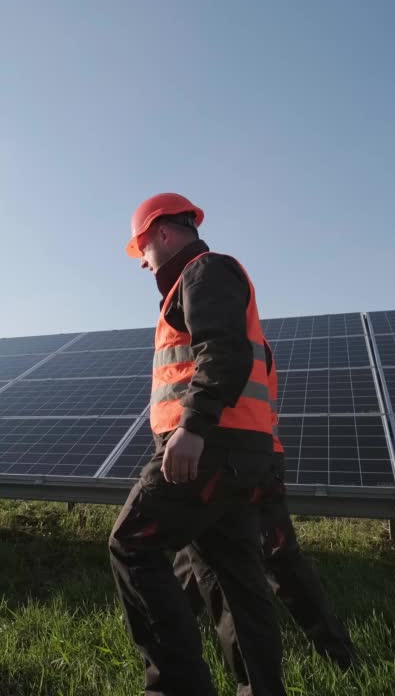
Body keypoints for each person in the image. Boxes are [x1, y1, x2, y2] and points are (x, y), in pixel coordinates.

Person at [109, 192, 286, 696]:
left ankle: (175, 687)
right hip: (233, 452)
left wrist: (191, 428)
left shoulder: (204, 273)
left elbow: (223, 353)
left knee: (132, 543)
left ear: (163, 233)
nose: (142, 262)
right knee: (230, 576)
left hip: (209, 448)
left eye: (142, 247)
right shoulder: (199, 281)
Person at [174, 480, 359, 670]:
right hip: (244, 469)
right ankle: (165, 647)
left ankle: (340, 657)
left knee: (272, 564)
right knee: (199, 557)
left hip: (229, 471)